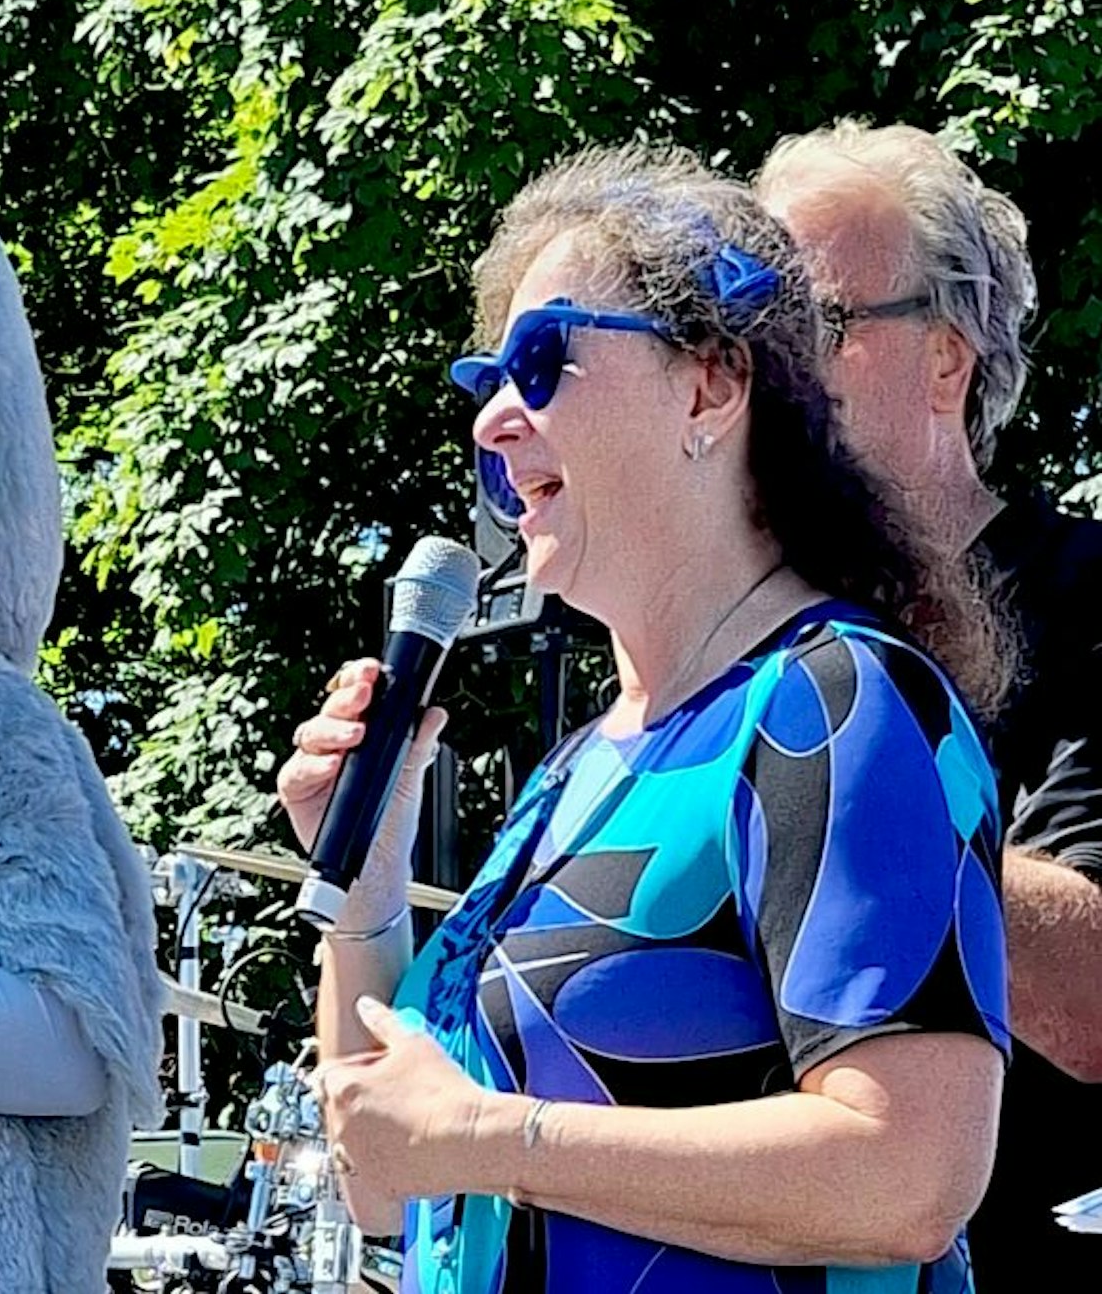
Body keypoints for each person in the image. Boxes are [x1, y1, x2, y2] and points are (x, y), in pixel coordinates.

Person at [279, 145, 1011, 1293]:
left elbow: (906, 1170)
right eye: (485, 384)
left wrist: (488, 1137)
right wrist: (367, 891)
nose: (492, 423)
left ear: (710, 387)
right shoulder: (574, 773)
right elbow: (383, 1176)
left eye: (541, 361)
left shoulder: (834, 706)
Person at [757, 122, 1102, 1283]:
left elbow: (1093, 1003)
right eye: (744, 324)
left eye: (814, 323)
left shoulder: (1086, 596)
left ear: (945, 360)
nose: (766, 364)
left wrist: (851, 812)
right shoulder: (723, 635)